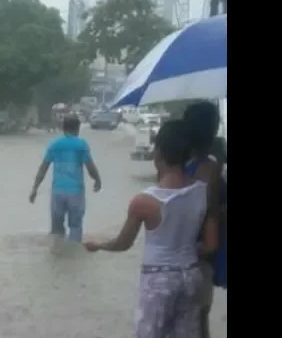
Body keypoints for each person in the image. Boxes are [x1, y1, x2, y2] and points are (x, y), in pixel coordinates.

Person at [83, 120, 218, 338]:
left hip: (159, 280)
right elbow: (211, 245)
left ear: (159, 154)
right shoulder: (203, 192)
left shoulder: (144, 201)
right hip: (192, 275)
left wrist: (98, 245)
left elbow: (123, 244)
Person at [182, 101, 227, 338]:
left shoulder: (195, 167)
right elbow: (207, 209)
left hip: (192, 252)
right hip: (197, 252)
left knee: (194, 318)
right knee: (197, 319)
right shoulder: (203, 167)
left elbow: (203, 208)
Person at [29, 114, 102, 242]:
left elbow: (43, 168)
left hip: (57, 192)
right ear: (78, 128)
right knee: (75, 227)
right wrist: (97, 180)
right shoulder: (81, 145)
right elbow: (90, 166)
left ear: (63, 128)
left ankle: (58, 255)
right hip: (75, 192)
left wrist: (35, 188)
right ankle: (73, 255)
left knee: (56, 231)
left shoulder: (55, 144)